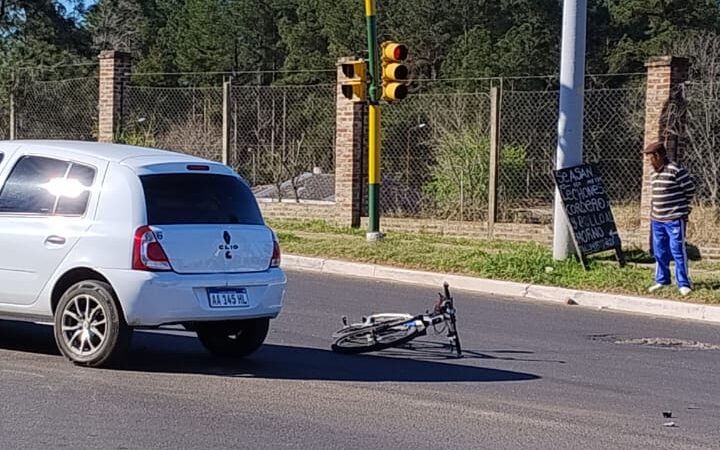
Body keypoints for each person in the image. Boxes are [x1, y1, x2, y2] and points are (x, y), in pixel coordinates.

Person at [643, 141, 696, 295]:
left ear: (658, 156)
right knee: (659, 250)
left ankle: (683, 283)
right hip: (657, 218)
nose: (648, 161)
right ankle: (662, 279)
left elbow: (690, 190)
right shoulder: (653, 172)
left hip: (674, 218)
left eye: (650, 157)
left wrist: (681, 207)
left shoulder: (675, 170)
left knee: (677, 250)